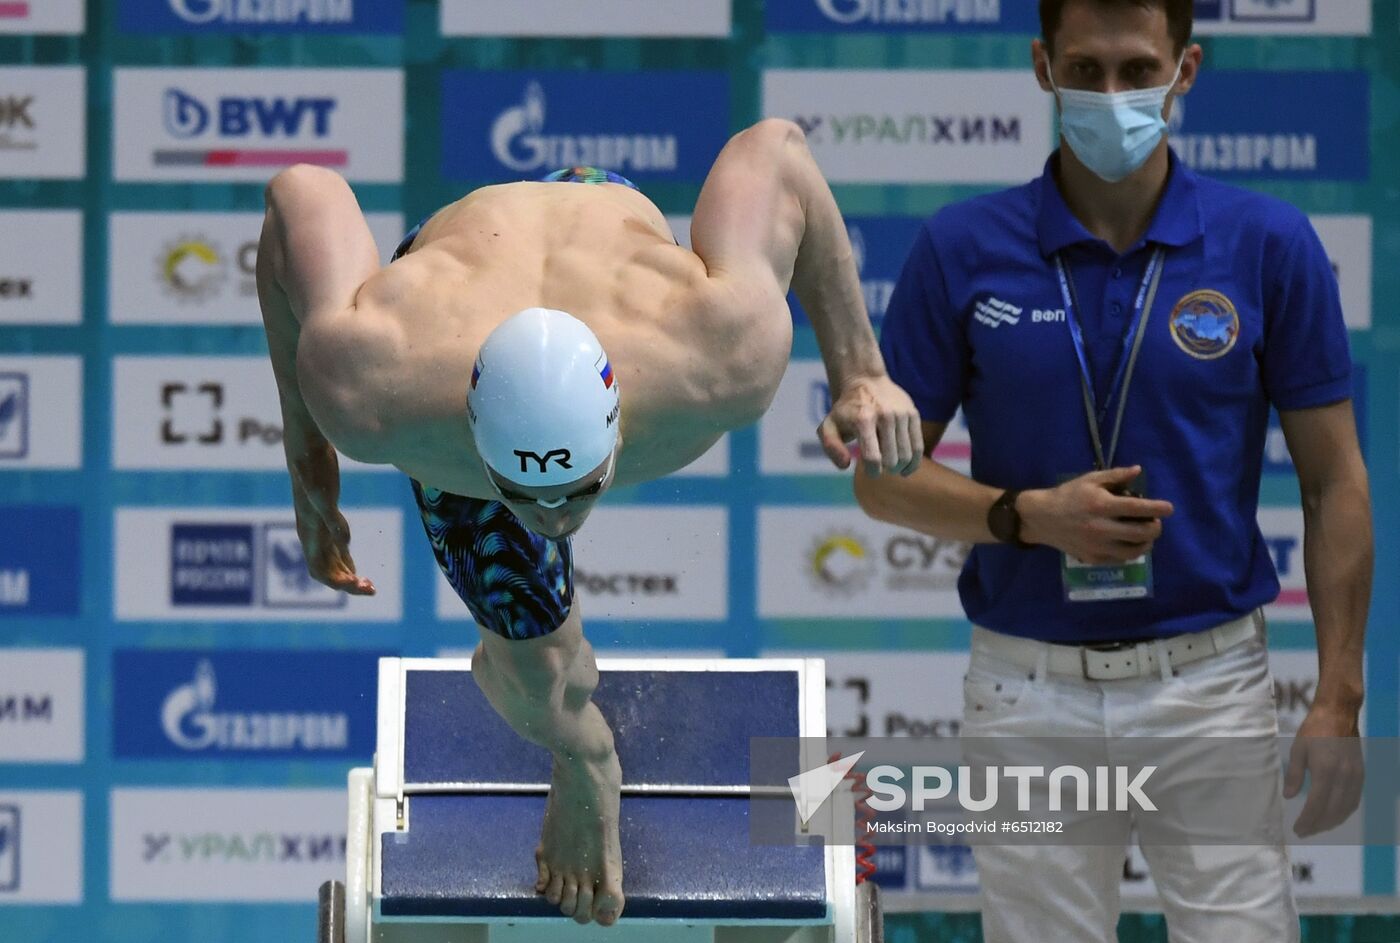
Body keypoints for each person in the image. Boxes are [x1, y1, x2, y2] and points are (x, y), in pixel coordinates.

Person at [256, 122, 922, 926]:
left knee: (536, 643)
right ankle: (587, 755)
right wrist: (308, 456)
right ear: (473, 435)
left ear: (619, 425)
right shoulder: (372, 381)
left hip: (604, 215)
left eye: (576, 491)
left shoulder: (719, 353)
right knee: (536, 672)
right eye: (523, 493)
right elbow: (297, 193)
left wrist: (862, 371)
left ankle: (578, 748)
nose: (552, 519)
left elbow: (779, 150)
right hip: (444, 285)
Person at [854, 0, 1371, 940]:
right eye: (1086, 70)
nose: (1112, 94)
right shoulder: (961, 249)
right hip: (1027, 689)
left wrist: (1338, 695)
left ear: (1187, 69)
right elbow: (882, 480)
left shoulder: (1269, 244)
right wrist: (1024, 515)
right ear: (1043, 67)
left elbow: (1336, 482)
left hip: (1209, 684)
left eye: (1138, 70)